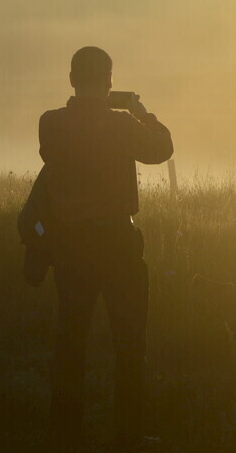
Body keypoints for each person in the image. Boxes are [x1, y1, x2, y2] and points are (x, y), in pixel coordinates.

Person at [38, 46, 173, 449]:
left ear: (71, 79)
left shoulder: (50, 123)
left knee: (71, 341)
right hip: (117, 244)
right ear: (110, 81)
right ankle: (127, 434)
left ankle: (66, 432)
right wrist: (141, 111)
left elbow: (52, 156)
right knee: (130, 342)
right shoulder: (121, 124)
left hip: (70, 246)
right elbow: (161, 149)